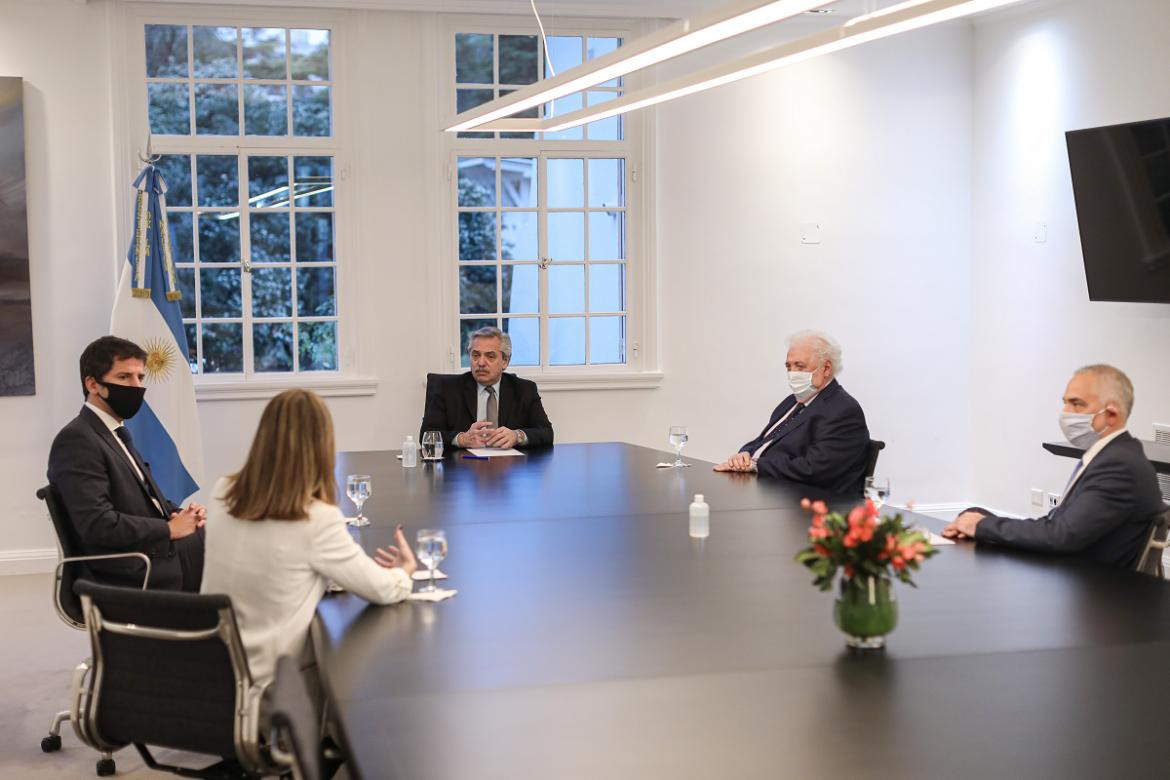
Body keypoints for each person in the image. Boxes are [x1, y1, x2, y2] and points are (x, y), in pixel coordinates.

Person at [201, 389, 416, 686]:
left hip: (208, 673)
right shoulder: (315, 519)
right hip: (270, 691)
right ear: (322, 446)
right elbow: (382, 590)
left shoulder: (222, 491)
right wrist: (403, 571)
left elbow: (269, 556)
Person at [942, 364, 1164, 569]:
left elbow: (1062, 536)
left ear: (1112, 414)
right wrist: (978, 519)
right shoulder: (1110, 455)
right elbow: (1055, 524)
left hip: (1093, 596)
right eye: (1065, 402)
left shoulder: (1120, 466)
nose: (1065, 412)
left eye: (1077, 403)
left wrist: (982, 526)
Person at [47, 336, 206, 591]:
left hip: (150, 553)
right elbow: (98, 524)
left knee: (231, 537)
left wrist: (181, 515)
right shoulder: (77, 440)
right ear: (93, 384)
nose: (136, 386)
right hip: (129, 569)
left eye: (140, 378)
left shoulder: (115, 432)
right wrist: (168, 530)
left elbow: (147, 499)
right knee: (237, 549)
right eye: (124, 377)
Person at [714, 330, 870, 496]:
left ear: (826, 368)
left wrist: (756, 464)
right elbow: (764, 441)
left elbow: (813, 468)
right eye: (789, 367)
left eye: (800, 366)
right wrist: (744, 455)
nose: (792, 373)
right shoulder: (791, 402)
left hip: (810, 506)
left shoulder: (843, 410)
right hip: (772, 491)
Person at [420, 326, 554, 450]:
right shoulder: (448, 389)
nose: (481, 363)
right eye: (476, 355)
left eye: (490, 356)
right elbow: (427, 435)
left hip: (509, 469)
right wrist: (461, 439)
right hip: (463, 469)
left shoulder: (524, 389)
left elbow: (546, 432)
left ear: (505, 361)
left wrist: (517, 436)